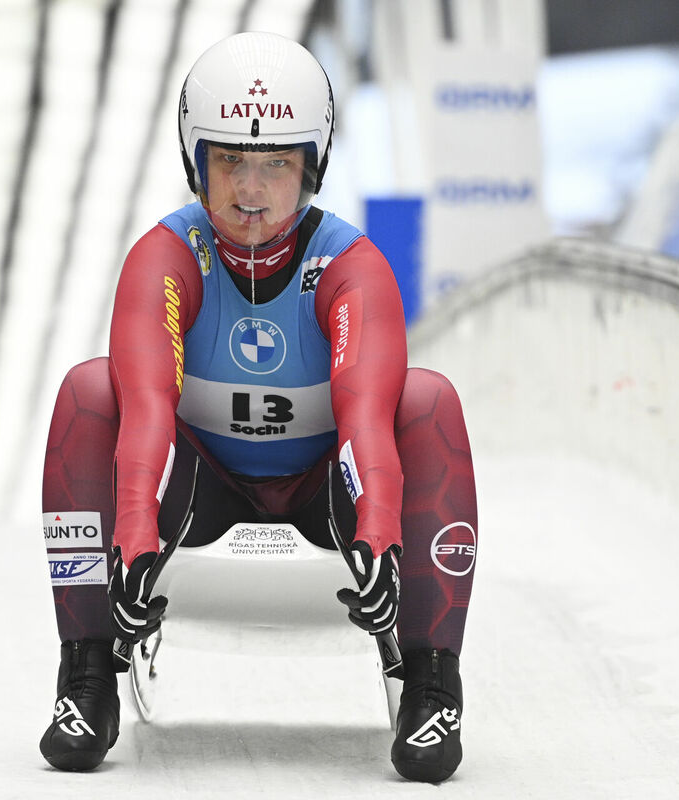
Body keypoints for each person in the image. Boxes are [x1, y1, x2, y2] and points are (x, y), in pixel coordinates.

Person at [38, 31, 478, 783]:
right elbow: (147, 407)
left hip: (321, 486)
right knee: (89, 389)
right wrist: (134, 533)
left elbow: (366, 418)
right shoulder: (165, 256)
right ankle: (85, 675)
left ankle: (432, 683)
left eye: (276, 163)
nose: (250, 190)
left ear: (312, 164)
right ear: (195, 162)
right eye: (229, 161)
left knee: (428, 399)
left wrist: (379, 530)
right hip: (202, 482)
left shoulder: (351, 266)